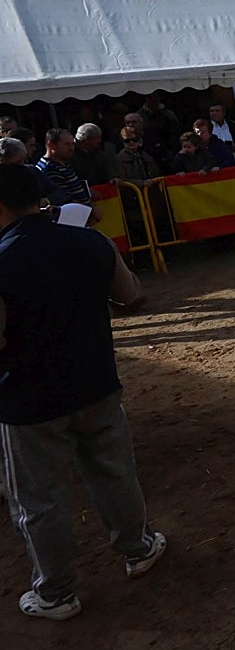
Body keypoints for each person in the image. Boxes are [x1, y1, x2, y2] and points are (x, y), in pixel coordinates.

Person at [0, 164, 166, 621]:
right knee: (114, 472)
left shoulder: (2, 259)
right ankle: (138, 547)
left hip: (29, 401)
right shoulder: (92, 241)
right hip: (96, 381)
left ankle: (56, 592)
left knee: (39, 500)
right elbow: (132, 294)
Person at [37, 129, 93, 206]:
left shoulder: (63, 163)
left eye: (72, 144)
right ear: (51, 145)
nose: (71, 148)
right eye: (66, 144)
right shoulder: (50, 169)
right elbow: (65, 200)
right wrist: (91, 210)